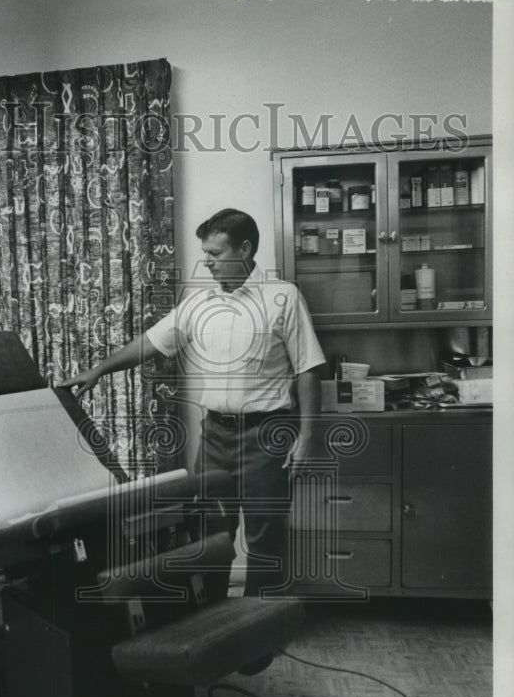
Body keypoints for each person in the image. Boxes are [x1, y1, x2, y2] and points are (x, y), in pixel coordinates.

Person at [60, 208, 326, 597]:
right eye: (206, 253)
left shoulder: (283, 297)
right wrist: (98, 370)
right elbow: (151, 343)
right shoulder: (198, 303)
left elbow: (308, 369)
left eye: (216, 254)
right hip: (215, 437)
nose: (207, 262)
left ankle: (258, 631)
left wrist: (307, 437)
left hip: (267, 438)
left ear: (245, 249)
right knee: (208, 533)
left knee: (266, 537)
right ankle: (213, 616)